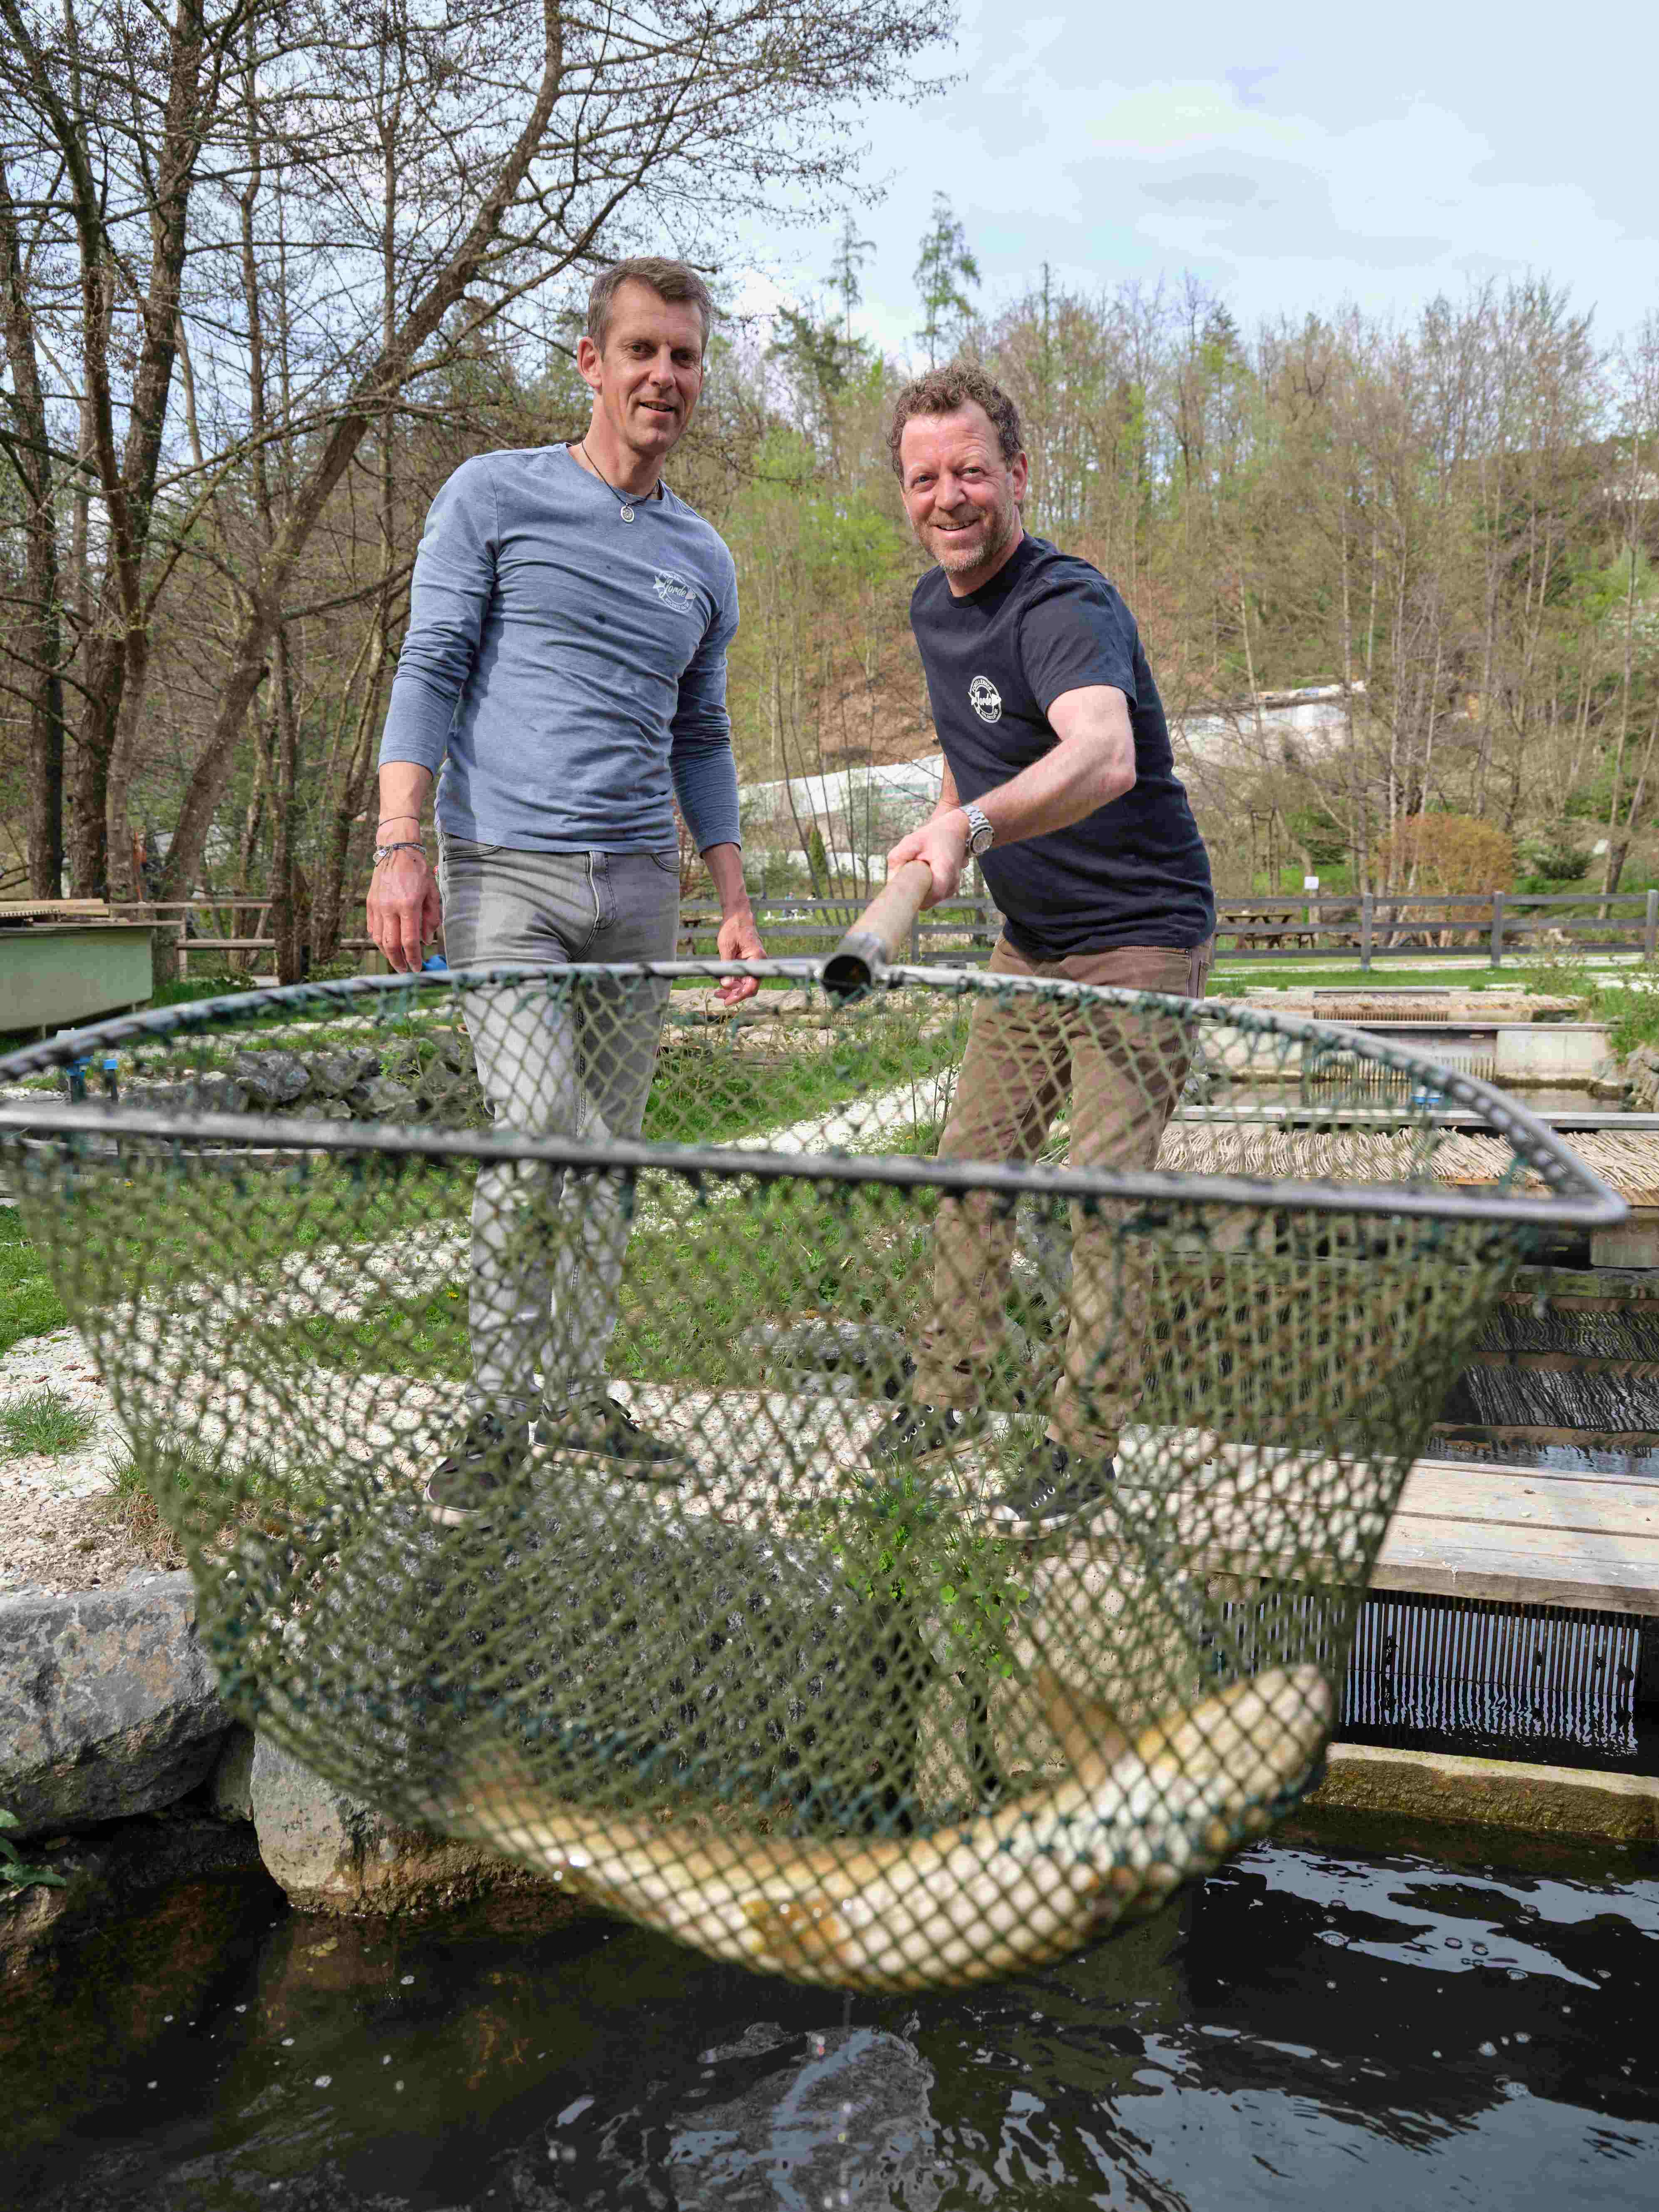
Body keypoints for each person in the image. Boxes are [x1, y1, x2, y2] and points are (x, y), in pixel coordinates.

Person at [367, 256, 764, 1525]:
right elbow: (430, 662)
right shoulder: (495, 496)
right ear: (590, 362)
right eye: (641, 350)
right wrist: (398, 841)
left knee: (606, 1157)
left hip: (638, 887)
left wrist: (732, 892)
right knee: (537, 1131)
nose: (664, 376)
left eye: (685, 357)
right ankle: (493, 1412)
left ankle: (577, 1394)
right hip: (505, 877)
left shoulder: (703, 554)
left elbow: (700, 734)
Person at [869, 365, 1215, 1535]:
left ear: (1017, 474)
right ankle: (941, 1398)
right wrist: (943, 823)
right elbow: (982, 746)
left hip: (1139, 938)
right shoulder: (934, 608)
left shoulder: (1064, 604)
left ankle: (1082, 1445)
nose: (948, 497)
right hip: (1034, 939)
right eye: (925, 478)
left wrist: (971, 824)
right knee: (973, 1169)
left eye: (970, 471)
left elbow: (1101, 755)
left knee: (1099, 1192)